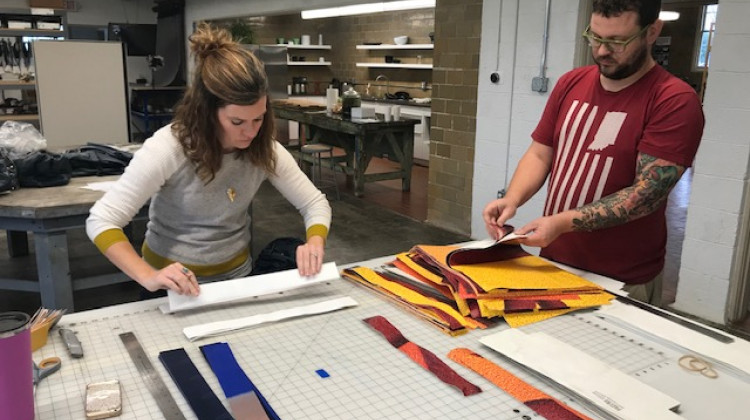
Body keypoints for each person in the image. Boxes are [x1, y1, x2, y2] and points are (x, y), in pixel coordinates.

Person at [482, 0, 704, 306]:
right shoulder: (571, 83)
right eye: (595, 37)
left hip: (622, 277)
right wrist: (512, 198)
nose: (601, 51)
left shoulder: (674, 100)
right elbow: (540, 153)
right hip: (554, 262)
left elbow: (646, 195)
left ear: (652, 32)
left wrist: (561, 223)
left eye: (617, 41)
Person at [86, 23, 331, 297]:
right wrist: (149, 276)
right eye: (237, 121)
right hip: (170, 287)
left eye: (259, 119)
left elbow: (314, 203)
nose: (251, 131)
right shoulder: (170, 147)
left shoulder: (264, 149)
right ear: (207, 112)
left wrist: (315, 241)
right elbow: (102, 220)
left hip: (236, 279)